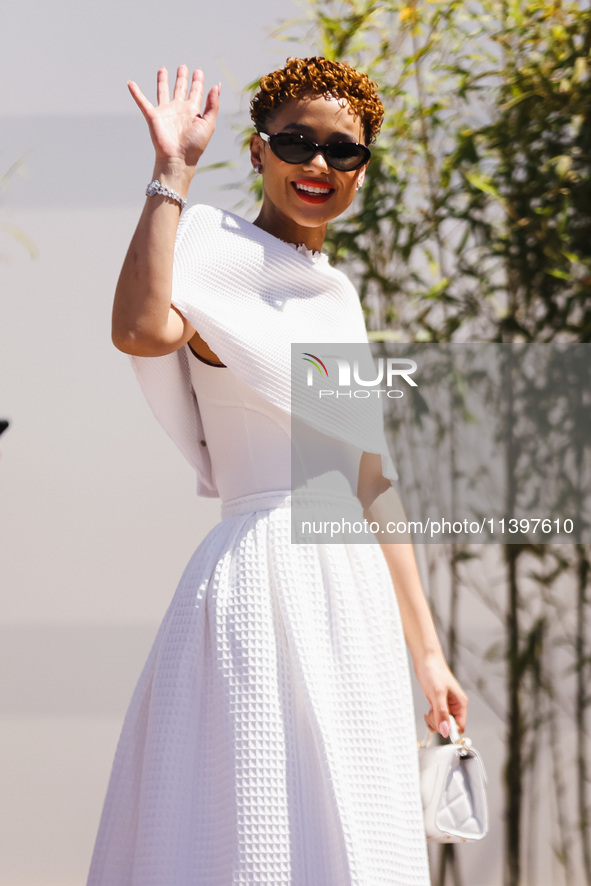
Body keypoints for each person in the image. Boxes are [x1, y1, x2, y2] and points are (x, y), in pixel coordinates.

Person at [87, 57, 468, 886]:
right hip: (260, 575)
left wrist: (429, 656)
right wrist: (170, 175)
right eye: (296, 142)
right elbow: (140, 329)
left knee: (352, 834)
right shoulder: (206, 251)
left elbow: (369, 479)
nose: (319, 165)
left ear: (362, 168)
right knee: (243, 824)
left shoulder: (336, 295)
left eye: (344, 151)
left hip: (353, 594)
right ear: (258, 152)